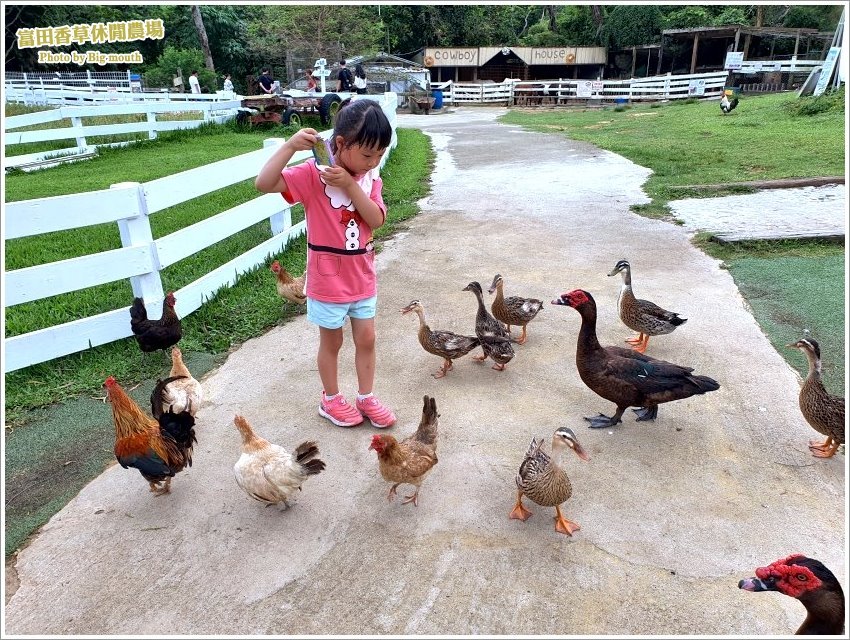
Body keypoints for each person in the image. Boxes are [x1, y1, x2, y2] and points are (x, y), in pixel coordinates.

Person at [254, 100, 396, 429]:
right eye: (367, 155)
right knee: (332, 342)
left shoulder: (368, 177)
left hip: (363, 279)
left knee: (367, 339)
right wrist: (290, 146)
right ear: (341, 144)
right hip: (327, 282)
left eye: (379, 155)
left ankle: (366, 397)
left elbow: (375, 220)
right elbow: (263, 183)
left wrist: (349, 184)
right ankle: (330, 400)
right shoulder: (312, 175)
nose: (373, 162)